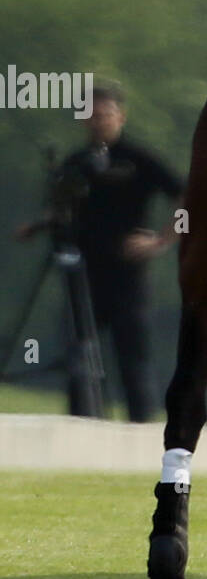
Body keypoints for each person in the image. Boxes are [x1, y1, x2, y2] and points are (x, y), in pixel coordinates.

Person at [15, 82, 183, 421]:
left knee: (132, 356)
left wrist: (162, 240)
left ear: (120, 116)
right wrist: (36, 227)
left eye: (104, 113)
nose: (98, 120)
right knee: (78, 355)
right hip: (83, 273)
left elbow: (186, 197)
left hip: (128, 275)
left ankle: (140, 430)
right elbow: (61, 208)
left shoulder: (139, 158)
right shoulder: (77, 162)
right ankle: (83, 426)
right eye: (90, 114)